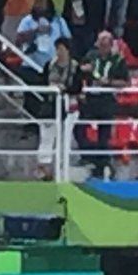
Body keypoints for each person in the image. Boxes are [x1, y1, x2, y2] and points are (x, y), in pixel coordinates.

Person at [77, 31, 129, 176]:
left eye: (105, 44)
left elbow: (124, 82)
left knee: (104, 135)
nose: (102, 47)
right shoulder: (91, 56)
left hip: (106, 100)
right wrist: (84, 71)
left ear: (111, 45)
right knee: (79, 128)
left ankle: (102, 164)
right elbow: (79, 71)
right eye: (100, 44)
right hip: (90, 99)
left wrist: (109, 82)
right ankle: (88, 156)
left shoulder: (118, 60)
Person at [36, 36, 82, 180]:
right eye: (57, 49)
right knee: (46, 137)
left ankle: (62, 169)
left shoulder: (75, 67)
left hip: (69, 107)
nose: (59, 52)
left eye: (61, 49)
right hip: (50, 107)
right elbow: (41, 84)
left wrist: (65, 89)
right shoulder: (49, 65)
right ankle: (43, 168)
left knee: (65, 139)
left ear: (68, 50)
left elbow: (78, 86)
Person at [16, 0, 71, 70]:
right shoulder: (27, 21)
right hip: (30, 65)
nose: (38, 5)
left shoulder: (59, 21)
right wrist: (36, 31)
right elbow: (18, 42)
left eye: (41, 2)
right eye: (37, 3)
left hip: (53, 66)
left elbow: (68, 41)